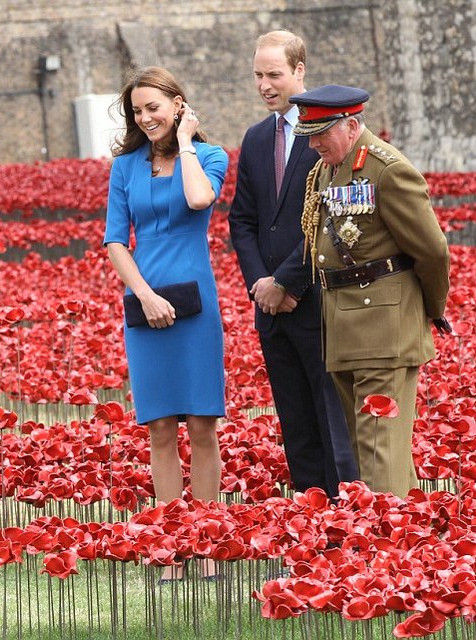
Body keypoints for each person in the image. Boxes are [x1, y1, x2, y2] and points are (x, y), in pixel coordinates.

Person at [290, 85, 451, 498]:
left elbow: (431, 251)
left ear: (352, 125)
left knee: (379, 449)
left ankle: (387, 553)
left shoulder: (386, 168)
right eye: (309, 133)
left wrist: (430, 309)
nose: (313, 144)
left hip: (384, 326)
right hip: (343, 325)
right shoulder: (328, 168)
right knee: (372, 449)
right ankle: (411, 540)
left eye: (322, 133)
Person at [103, 67, 228, 582]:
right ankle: (170, 550)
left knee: (201, 425)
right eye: (137, 111)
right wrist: (146, 295)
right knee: (157, 427)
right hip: (144, 303)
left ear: (178, 103)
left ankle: (205, 547)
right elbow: (115, 241)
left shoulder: (212, 156)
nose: (145, 117)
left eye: (154, 106)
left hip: (197, 302)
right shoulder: (125, 168)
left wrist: (184, 142)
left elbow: (200, 199)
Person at [229, 30, 358, 498]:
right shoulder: (257, 138)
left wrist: (286, 281)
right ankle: (309, 522)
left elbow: (335, 218)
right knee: (295, 424)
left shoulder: (331, 131)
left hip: (319, 302)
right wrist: (260, 285)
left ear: (299, 71)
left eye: (274, 75)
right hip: (271, 309)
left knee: (333, 424)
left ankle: (344, 523)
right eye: (258, 75)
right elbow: (241, 220)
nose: (264, 85)